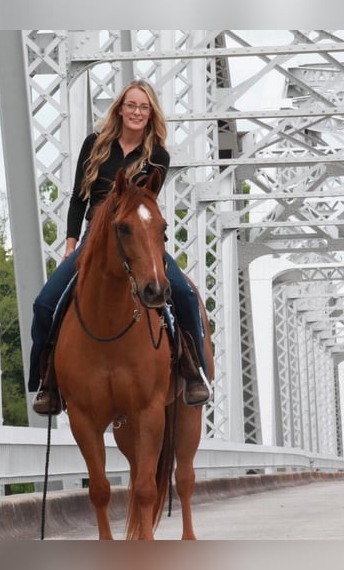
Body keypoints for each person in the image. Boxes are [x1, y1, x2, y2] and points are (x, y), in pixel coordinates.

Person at [29, 79, 212, 415]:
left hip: (137, 237)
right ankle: (46, 382)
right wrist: (71, 245)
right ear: (120, 109)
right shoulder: (95, 144)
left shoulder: (157, 155)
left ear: (151, 113)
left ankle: (193, 370)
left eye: (144, 107)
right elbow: (77, 199)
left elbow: (145, 203)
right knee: (44, 304)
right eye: (131, 105)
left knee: (185, 295)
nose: (137, 112)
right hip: (95, 240)